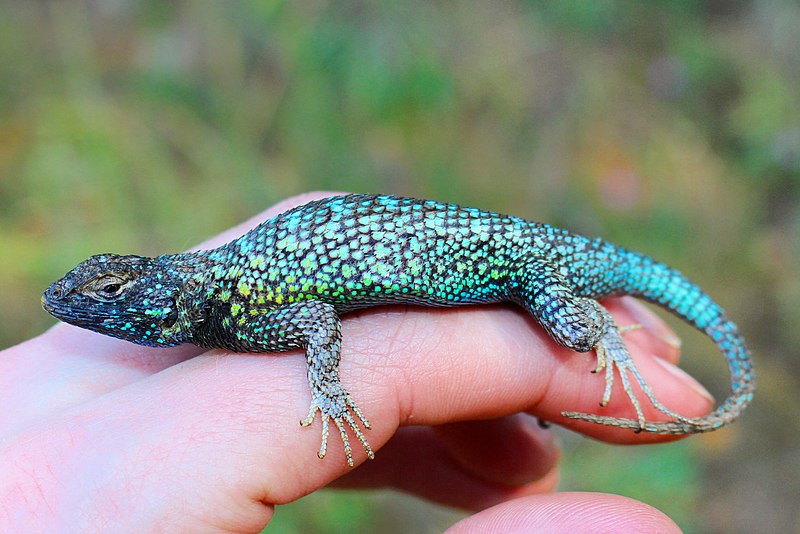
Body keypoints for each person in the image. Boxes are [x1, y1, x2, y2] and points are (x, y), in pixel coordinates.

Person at [0, 192, 708, 532]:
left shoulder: (232, 304)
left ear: (159, 294)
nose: (89, 305)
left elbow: (311, 317)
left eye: (117, 293)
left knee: (564, 328)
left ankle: (606, 334)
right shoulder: (220, 297)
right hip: (467, 243)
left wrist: (329, 389)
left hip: (519, 260)